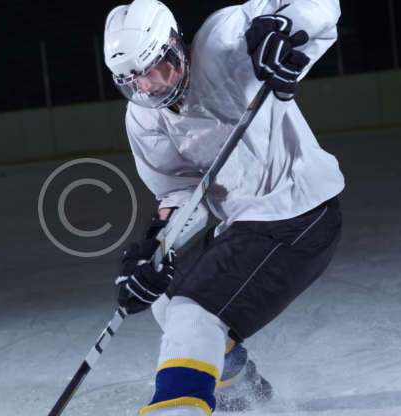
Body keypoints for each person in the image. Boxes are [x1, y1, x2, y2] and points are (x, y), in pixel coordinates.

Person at [105, 0, 344, 414]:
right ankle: (240, 387)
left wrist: (286, 28)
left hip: (298, 213)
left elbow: (322, 5)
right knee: (166, 298)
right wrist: (156, 248)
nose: (147, 87)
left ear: (175, 48)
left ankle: (177, 407)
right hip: (245, 223)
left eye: (152, 70)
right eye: (132, 81)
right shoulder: (144, 118)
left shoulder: (226, 40)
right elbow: (181, 193)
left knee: (192, 313)